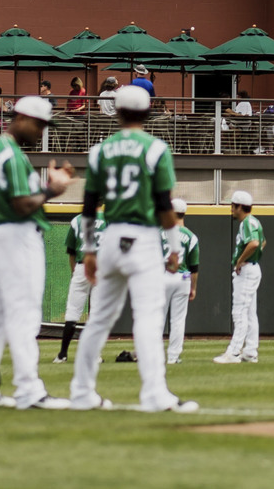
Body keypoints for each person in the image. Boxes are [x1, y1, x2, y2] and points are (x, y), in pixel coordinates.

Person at [68, 85, 196, 412]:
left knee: (98, 319)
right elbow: (164, 205)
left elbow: (88, 205)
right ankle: (154, 394)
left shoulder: (100, 150)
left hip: (109, 237)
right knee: (148, 319)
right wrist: (173, 248)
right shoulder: (155, 149)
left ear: (118, 111)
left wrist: (89, 250)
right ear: (148, 110)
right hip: (143, 238)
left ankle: (82, 392)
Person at [0, 95, 74, 410]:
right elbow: (22, 204)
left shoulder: (2, 150)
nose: (42, 131)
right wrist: (51, 191)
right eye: (40, 124)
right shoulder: (11, 155)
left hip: (3, 233)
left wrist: (45, 187)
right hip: (16, 233)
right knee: (24, 313)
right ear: (23, 118)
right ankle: (30, 390)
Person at [213, 190, 265, 365]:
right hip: (252, 268)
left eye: (233, 206)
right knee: (250, 313)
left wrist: (241, 261)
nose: (231, 210)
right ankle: (250, 351)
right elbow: (262, 242)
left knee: (240, 312)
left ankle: (233, 352)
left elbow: (255, 243)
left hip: (247, 270)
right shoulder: (254, 221)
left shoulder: (247, 222)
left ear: (240, 207)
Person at [52, 205, 102, 365]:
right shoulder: (109, 220)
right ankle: (94, 355)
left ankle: (62, 354)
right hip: (102, 267)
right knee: (97, 313)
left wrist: (76, 272)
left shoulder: (77, 220)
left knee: (72, 311)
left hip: (82, 265)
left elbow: (71, 251)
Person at [160, 199, 199, 364]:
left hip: (163, 276)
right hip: (183, 278)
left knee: (158, 318)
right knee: (178, 320)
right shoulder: (191, 236)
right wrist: (194, 288)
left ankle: (153, 356)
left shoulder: (161, 232)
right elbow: (194, 267)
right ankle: (173, 357)